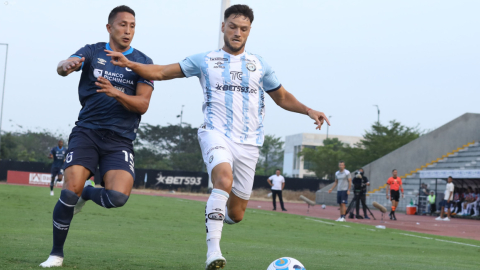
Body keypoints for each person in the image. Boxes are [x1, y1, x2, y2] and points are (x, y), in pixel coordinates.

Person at [105, 5, 330, 269]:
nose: (237, 33)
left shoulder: (259, 65)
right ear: (222, 27)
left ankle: (215, 213)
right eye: (232, 26)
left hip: (249, 143)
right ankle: (213, 252)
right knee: (223, 179)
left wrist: (308, 110)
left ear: (249, 32)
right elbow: (163, 72)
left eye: (243, 29)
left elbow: (281, 97)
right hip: (215, 133)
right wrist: (131, 64)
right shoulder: (205, 60)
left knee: (236, 214)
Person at [40, 6, 154, 268]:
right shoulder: (92, 51)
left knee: (117, 198)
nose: (128, 30)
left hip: (120, 140)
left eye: (132, 25)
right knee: (69, 191)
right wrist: (65, 66)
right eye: (123, 24)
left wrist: (115, 93)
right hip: (87, 133)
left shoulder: (143, 62)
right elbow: (62, 65)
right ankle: (56, 254)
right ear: (109, 28)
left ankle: (89, 193)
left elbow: (142, 105)